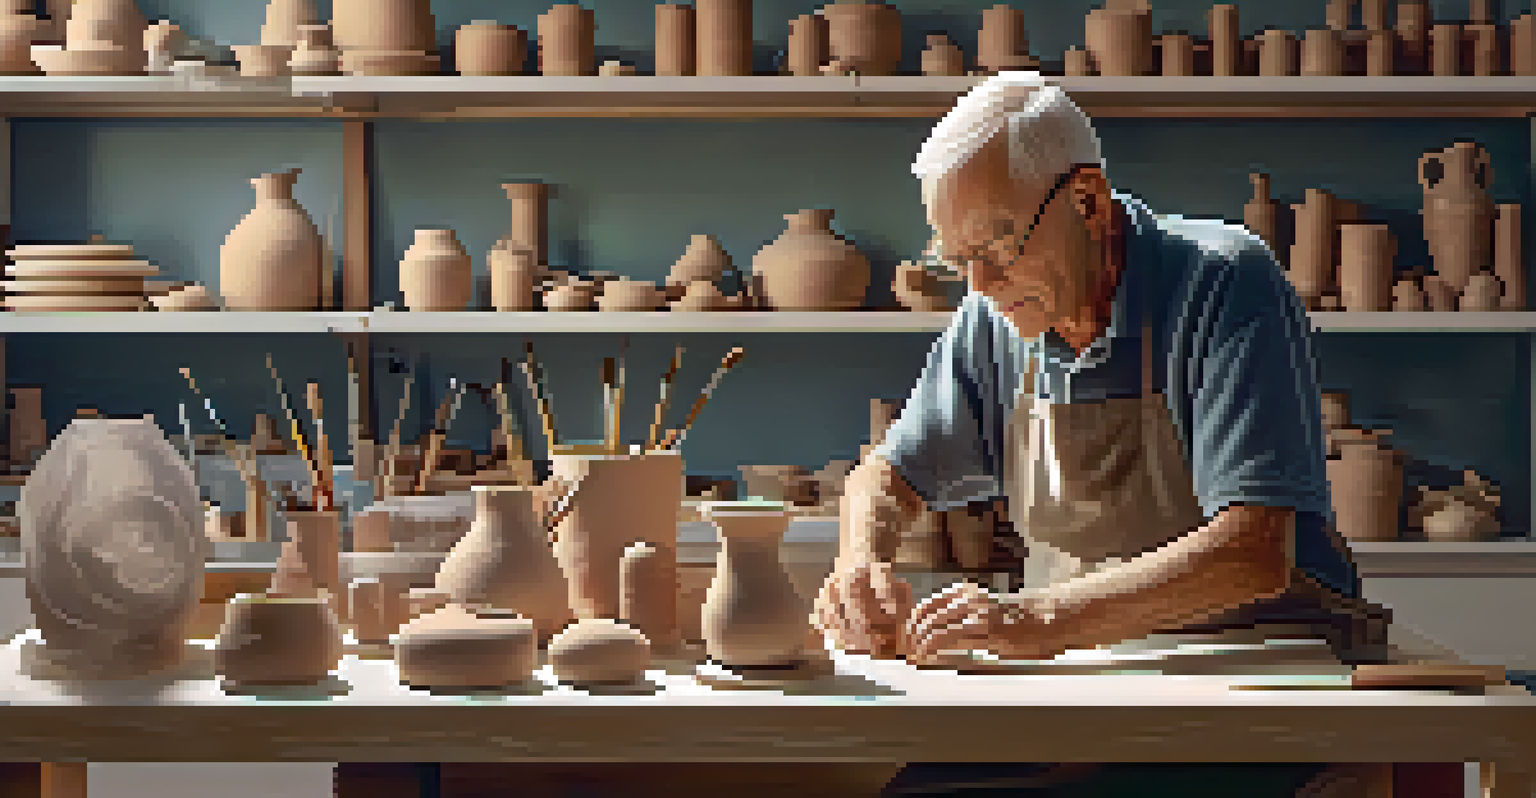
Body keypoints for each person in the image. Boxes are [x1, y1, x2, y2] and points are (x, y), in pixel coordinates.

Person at [812, 72, 1390, 796]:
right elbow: (887, 474)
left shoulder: (1222, 282)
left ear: (1087, 201)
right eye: (955, 261)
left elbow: (1254, 552)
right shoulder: (994, 318)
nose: (980, 285)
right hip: (1083, 674)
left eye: (996, 244)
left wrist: (1037, 615)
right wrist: (859, 560)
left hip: (1255, 673)